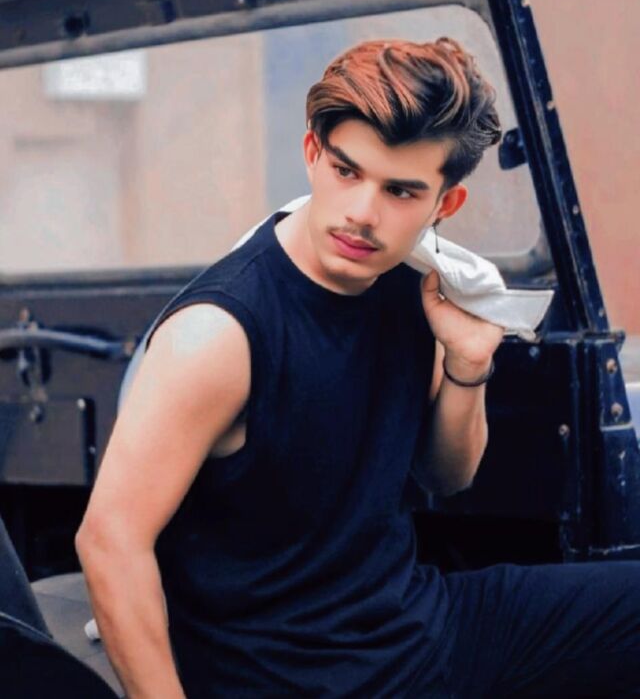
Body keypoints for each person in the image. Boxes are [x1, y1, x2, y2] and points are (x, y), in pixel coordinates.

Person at [76, 39, 640, 698]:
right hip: (285, 674)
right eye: (348, 171)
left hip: (416, 627)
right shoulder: (220, 333)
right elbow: (110, 540)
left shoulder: (413, 287)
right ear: (313, 153)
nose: (362, 214)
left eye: (400, 190)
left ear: (444, 204)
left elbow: (448, 476)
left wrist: (467, 364)